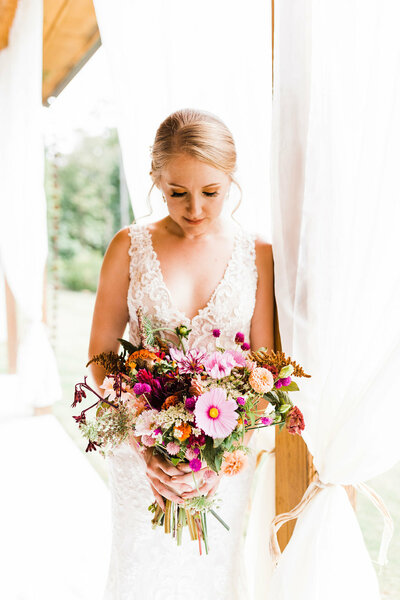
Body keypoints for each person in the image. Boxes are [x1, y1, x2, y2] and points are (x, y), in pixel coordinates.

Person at [88, 108, 275, 599]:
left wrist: (221, 456)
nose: (194, 208)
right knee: (140, 574)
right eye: (177, 192)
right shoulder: (128, 246)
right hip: (139, 459)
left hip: (224, 467)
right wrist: (147, 446)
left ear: (231, 180)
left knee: (212, 574)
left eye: (211, 192)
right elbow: (100, 360)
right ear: (155, 180)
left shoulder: (257, 254)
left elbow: (264, 369)